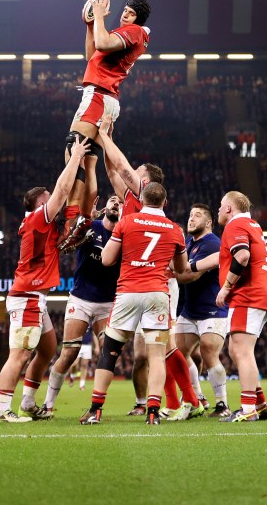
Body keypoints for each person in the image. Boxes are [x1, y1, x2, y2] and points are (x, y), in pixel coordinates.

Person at [0, 137, 91, 423]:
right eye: (48, 199)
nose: (54, 202)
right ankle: (2, 409)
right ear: (39, 203)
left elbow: (68, 196)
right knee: (20, 355)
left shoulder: (41, 224)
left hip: (36, 297)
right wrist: (75, 157)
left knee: (47, 349)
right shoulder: (38, 217)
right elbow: (62, 189)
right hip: (27, 297)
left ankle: (27, 403)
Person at [79, 182, 187, 426]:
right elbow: (181, 269)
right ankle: (153, 412)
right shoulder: (175, 229)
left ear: (142, 200)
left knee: (110, 352)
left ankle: (96, 409)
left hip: (128, 292)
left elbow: (106, 259)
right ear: (165, 203)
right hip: (157, 295)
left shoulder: (127, 222)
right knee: (157, 356)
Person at [58, 0, 151, 251]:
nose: (125, 15)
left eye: (131, 13)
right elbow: (93, 54)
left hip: (99, 95)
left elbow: (102, 41)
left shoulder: (134, 32)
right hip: (104, 98)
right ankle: (84, 220)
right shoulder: (127, 33)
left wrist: (99, 15)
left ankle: (71, 219)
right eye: (125, 10)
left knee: (73, 149)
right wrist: (90, 24)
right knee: (88, 162)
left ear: (138, 19)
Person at [196, 191, 267, 422]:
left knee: (241, 351)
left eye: (221, 206)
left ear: (229, 208)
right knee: (236, 350)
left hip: (248, 294)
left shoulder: (235, 225)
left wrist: (226, 287)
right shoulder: (252, 225)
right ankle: (260, 405)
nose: (219, 210)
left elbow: (242, 257)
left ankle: (248, 408)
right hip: (257, 293)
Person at [42, 195, 121, 411]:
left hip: (107, 303)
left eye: (120, 202)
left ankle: (96, 406)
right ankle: (48, 404)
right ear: (105, 207)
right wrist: (81, 224)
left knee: (107, 353)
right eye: (113, 200)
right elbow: (65, 246)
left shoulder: (126, 235)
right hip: (81, 298)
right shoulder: (91, 227)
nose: (116, 203)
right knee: (69, 353)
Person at [173, 203, 230, 417]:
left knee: (208, 351)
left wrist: (167, 275)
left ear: (208, 223)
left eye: (197, 215)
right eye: (190, 214)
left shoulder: (212, 244)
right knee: (178, 354)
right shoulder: (188, 243)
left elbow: (192, 275)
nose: (191, 218)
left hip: (212, 309)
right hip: (190, 310)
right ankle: (196, 397)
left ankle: (222, 404)